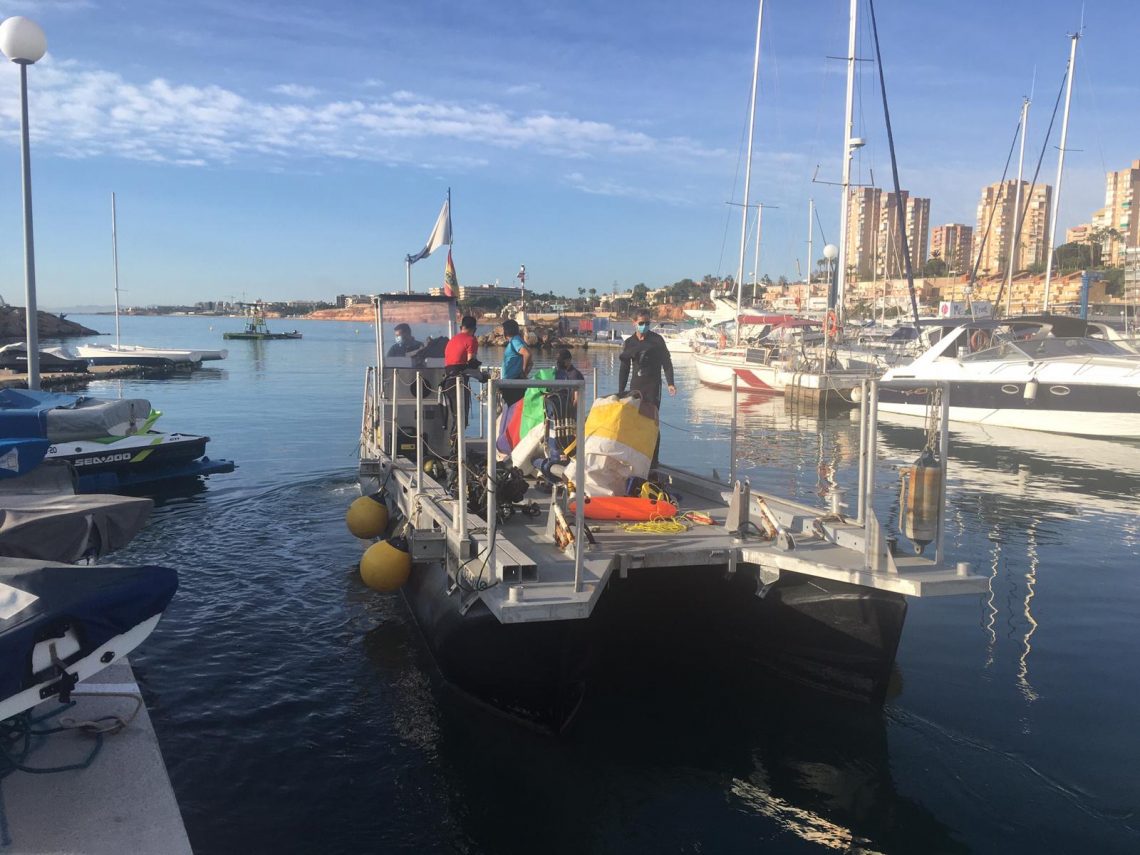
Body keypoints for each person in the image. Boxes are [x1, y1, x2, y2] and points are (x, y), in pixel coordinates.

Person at [617, 310, 676, 469]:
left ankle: (653, 460)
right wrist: (621, 390)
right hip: (636, 386)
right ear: (634, 323)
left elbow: (667, 362)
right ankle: (637, 455)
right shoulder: (630, 342)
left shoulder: (657, 340)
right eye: (641, 323)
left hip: (653, 386)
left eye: (647, 323)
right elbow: (624, 367)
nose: (645, 326)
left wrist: (670, 383)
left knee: (652, 422)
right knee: (635, 422)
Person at [443, 316, 481, 443]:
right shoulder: (471, 340)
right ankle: (455, 453)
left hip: (447, 381)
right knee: (461, 419)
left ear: (461, 327)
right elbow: (471, 362)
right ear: (474, 329)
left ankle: (454, 449)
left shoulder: (452, 340)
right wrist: (482, 377)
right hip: (458, 382)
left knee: (456, 418)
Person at [500, 318, 532, 406]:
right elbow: (531, 362)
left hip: (512, 383)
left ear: (506, 331)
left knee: (512, 408)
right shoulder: (518, 340)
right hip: (514, 382)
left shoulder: (515, 341)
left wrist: (523, 372)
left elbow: (527, 354)